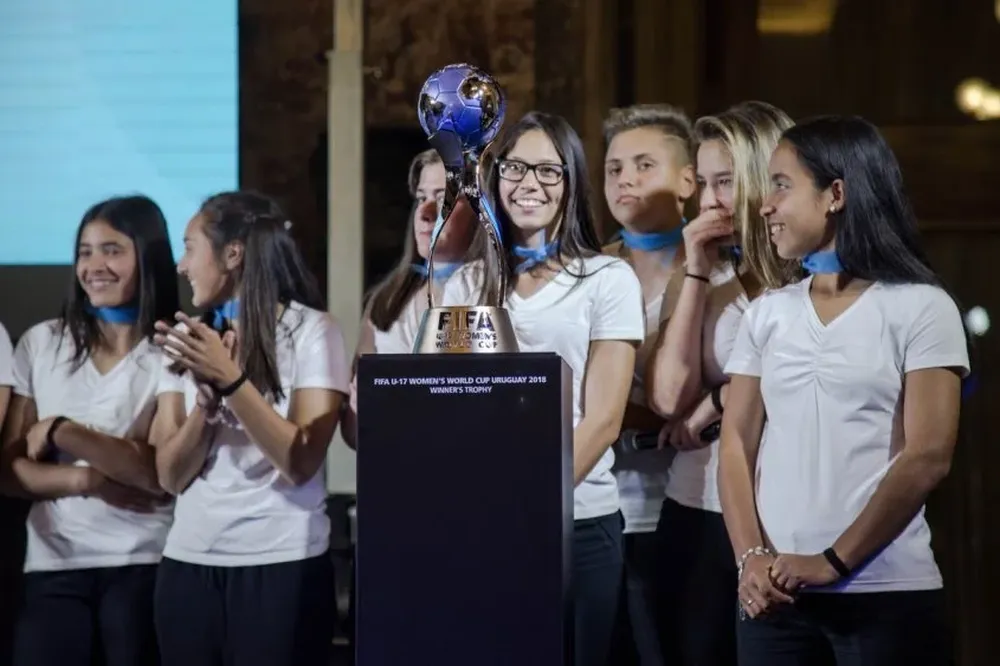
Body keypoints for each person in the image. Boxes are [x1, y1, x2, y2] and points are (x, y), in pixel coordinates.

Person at [720, 115, 969, 666]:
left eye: (781, 185)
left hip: (887, 596)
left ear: (835, 194)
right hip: (773, 601)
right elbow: (735, 443)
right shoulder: (767, 314)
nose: (764, 206)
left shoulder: (922, 307)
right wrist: (751, 559)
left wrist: (833, 562)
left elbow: (928, 455)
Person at [440, 111, 646, 666]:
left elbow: (603, 418)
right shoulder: (467, 282)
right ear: (493, 177)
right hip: (485, 523)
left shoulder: (608, 279)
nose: (530, 183)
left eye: (549, 171)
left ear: (571, 183)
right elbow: (460, 405)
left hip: (576, 520)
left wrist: (527, 502)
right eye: (516, 168)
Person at [150, 191, 350, 666]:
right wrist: (206, 405)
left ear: (233, 254)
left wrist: (232, 381)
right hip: (189, 565)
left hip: (282, 566)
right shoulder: (188, 341)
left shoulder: (313, 331)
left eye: (190, 247)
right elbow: (169, 476)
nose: (181, 265)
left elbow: (300, 460)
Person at [645, 101, 796, 666]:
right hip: (697, 506)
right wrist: (695, 269)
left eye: (725, 183)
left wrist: (715, 399)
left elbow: (795, 377)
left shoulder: (810, 274)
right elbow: (666, 398)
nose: (707, 201)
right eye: (702, 184)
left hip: (786, 514)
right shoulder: (701, 277)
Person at [0, 195, 179, 666]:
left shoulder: (173, 349)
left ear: (149, 255)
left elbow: (155, 476)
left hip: (145, 564)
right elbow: (10, 472)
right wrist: (91, 479)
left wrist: (61, 431)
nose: (94, 265)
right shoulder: (42, 342)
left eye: (112, 250)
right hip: (52, 566)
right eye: (85, 251)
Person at [600, 103, 697, 666]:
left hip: (690, 505)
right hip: (603, 505)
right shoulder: (585, 270)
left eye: (643, 165)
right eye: (614, 168)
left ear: (688, 179)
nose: (625, 180)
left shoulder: (727, 269)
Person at [343, 148, 479, 447]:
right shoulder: (386, 302)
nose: (425, 212)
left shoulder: (495, 296)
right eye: (420, 198)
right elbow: (353, 434)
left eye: (443, 198)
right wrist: (358, 407)